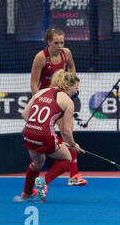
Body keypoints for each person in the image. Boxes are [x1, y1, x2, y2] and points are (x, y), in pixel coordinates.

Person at [19, 70, 85, 202]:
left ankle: (27, 193)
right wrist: (73, 144)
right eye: (75, 88)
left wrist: (39, 129)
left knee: (37, 164)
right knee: (68, 158)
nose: (76, 92)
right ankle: (45, 182)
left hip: (28, 133)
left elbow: (25, 115)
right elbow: (66, 131)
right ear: (67, 86)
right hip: (44, 135)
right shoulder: (68, 101)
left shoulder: (41, 91)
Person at [30, 28, 85, 186]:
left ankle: (74, 175)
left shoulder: (66, 53)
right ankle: (36, 177)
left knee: (68, 134)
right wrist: (38, 100)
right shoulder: (41, 58)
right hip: (47, 102)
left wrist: (70, 83)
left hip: (60, 100)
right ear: (48, 42)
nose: (60, 45)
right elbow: (34, 83)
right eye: (56, 43)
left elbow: (72, 67)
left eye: (62, 42)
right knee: (42, 137)